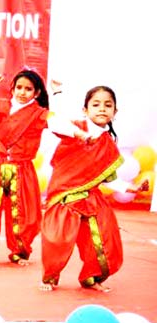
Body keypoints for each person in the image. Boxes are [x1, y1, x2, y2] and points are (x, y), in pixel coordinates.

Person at [40, 86, 148, 292]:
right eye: (96, 104)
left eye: (108, 105)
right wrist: (58, 96)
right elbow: (54, 121)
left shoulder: (108, 144)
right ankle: (50, 277)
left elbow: (108, 179)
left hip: (90, 198)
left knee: (105, 238)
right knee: (58, 240)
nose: (102, 109)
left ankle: (92, 277)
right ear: (85, 109)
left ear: (115, 113)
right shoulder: (75, 127)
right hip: (65, 195)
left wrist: (131, 188)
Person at [0, 69, 52, 264]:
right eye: (19, 88)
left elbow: (61, 124)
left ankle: (19, 251)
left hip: (22, 167)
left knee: (23, 211)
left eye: (28, 89)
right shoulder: (2, 107)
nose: (22, 92)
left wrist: (58, 94)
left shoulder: (39, 114)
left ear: (37, 93)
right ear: (13, 89)